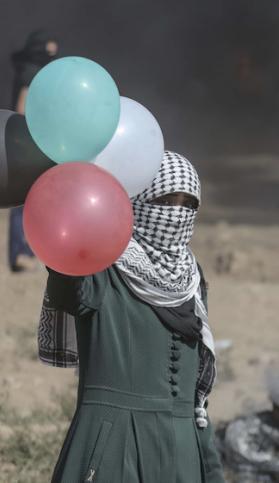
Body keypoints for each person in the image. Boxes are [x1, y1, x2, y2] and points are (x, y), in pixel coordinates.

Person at [39, 152, 224, 483]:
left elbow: (197, 399)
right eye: (165, 199)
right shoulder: (101, 264)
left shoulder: (190, 280)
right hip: (112, 448)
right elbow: (69, 288)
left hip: (182, 452)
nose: (176, 213)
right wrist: (66, 207)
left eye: (188, 204)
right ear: (136, 199)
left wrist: (210, 470)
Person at [9, 29, 57, 272]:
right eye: (49, 49)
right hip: (27, 144)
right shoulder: (31, 72)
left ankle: (24, 254)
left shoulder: (27, 69)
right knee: (24, 202)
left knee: (27, 201)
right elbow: (22, 108)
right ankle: (21, 254)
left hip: (21, 143)